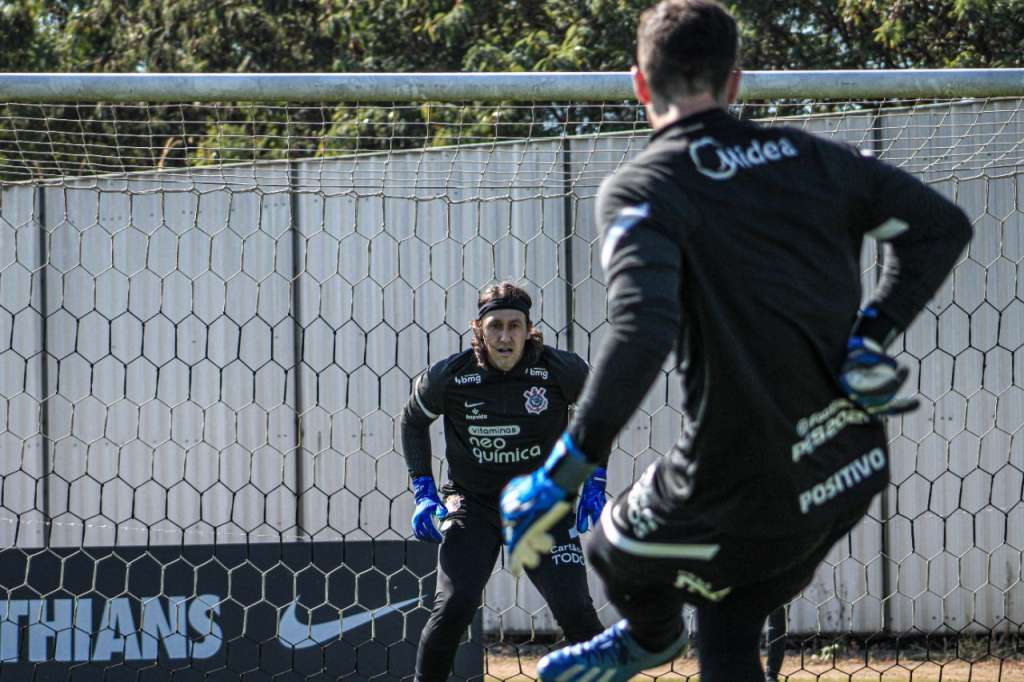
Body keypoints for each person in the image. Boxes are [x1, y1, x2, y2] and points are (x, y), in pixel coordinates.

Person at [498, 2, 973, 681]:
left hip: (735, 480)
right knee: (728, 622)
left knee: (608, 548)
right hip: (846, 467)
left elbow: (642, 329)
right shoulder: (820, 157)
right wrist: (872, 332)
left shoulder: (647, 185)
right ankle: (675, 634)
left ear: (638, 85)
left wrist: (563, 469)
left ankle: (653, 637)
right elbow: (943, 227)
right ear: (734, 83)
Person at [401, 281, 607, 682]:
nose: (505, 336)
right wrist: (423, 490)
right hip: (473, 506)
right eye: (496, 326)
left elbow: (601, 414)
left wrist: (595, 480)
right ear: (478, 329)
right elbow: (413, 421)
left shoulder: (560, 370)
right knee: (453, 607)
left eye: (515, 326)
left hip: (541, 506)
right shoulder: (450, 376)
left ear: (530, 329)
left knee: (576, 612)